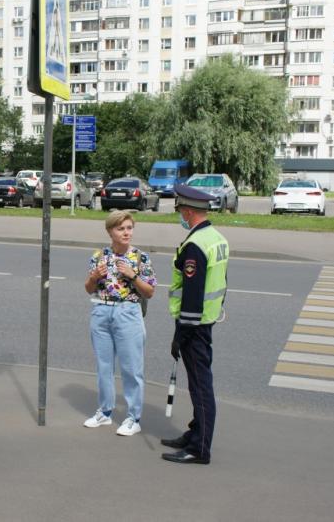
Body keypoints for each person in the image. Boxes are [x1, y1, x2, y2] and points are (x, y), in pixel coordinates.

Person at [161, 184, 229, 465]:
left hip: (195, 326)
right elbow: (222, 282)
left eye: (180, 211)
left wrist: (181, 335)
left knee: (201, 387)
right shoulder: (217, 238)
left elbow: (192, 295)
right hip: (206, 322)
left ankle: (200, 448)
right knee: (198, 384)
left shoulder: (195, 246)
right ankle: (194, 434)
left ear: (188, 211)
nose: (180, 216)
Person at [83, 210, 156, 436]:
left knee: (131, 368)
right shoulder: (99, 256)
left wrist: (133, 276)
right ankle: (105, 412)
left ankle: (133, 417)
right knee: (104, 366)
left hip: (128, 312)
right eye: (121, 229)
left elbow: (150, 291)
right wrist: (95, 277)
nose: (126, 233)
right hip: (101, 309)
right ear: (110, 231)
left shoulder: (139, 258)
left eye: (129, 228)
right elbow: (88, 288)